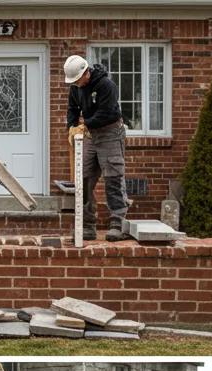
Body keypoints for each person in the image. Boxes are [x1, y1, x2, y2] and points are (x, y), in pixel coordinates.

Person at [64, 55, 129, 241]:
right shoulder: (76, 88)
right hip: (90, 134)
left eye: (78, 79)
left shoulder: (106, 85)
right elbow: (73, 108)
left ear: (86, 72)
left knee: (113, 178)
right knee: (83, 178)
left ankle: (118, 224)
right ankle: (87, 226)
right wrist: (71, 126)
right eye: (73, 81)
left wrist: (85, 126)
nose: (76, 83)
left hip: (110, 132)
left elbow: (107, 112)